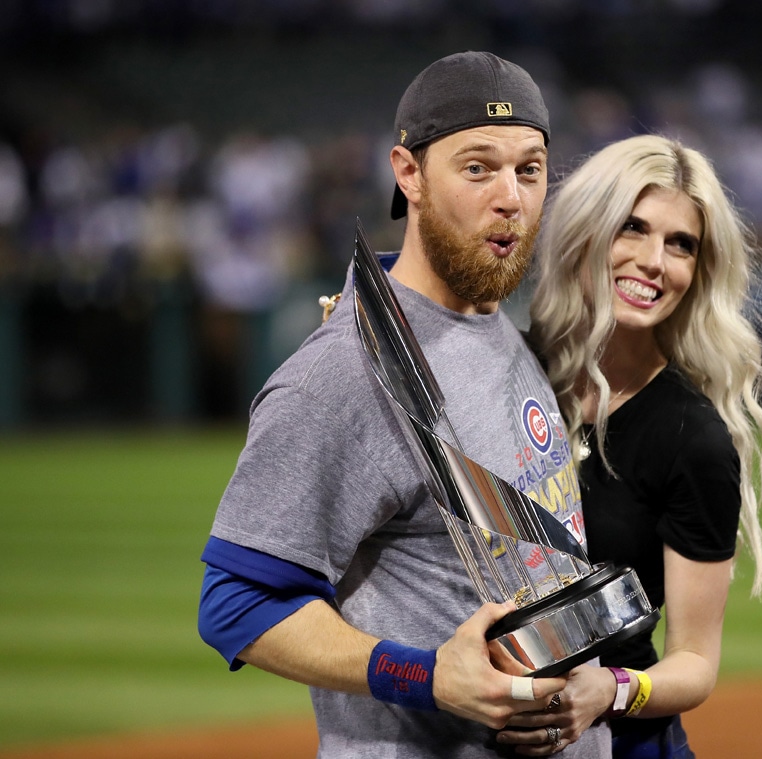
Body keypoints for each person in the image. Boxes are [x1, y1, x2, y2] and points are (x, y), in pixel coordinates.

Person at [197, 51, 612, 758]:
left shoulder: (500, 330)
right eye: (477, 167)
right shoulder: (342, 374)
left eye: (529, 169)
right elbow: (235, 603)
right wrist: (423, 676)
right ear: (409, 173)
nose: (510, 195)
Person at [499, 134, 762, 758]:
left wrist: (614, 689)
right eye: (633, 228)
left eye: (682, 245)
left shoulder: (691, 437)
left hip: (622, 745)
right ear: (588, 232)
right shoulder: (503, 372)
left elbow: (696, 663)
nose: (655, 261)